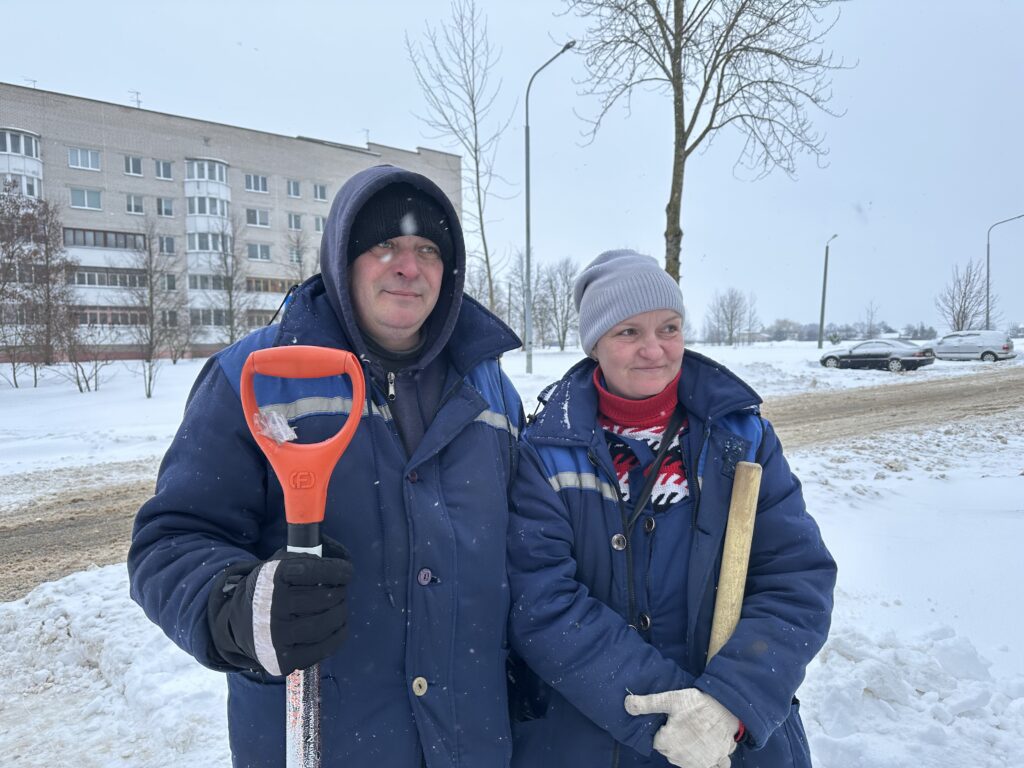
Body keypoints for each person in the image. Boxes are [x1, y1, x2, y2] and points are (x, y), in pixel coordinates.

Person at [128, 164, 524, 767]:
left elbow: (528, 556)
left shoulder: (492, 393)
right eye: (384, 245)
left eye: (426, 249)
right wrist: (238, 608)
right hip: (324, 742)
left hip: (470, 744)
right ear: (343, 258)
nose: (407, 267)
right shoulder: (255, 377)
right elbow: (171, 540)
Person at [507, 249, 836, 768]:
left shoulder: (742, 439)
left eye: (669, 327)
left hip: (733, 736)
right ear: (595, 345)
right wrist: (667, 713)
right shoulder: (547, 452)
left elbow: (796, 576)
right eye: (628, 332)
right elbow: (542, 602)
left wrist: (729, 704)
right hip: (593, 734)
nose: (654, 350)